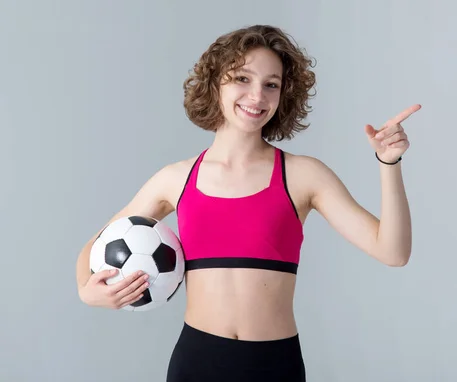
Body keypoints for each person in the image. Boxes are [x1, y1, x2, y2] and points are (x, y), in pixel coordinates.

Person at [75, 24, 419, 382]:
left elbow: (393, 252)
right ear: (215, 84)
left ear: (283, 94)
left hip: (274, 364)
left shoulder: (303, 175)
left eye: (271, 84)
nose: (257, 95)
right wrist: (89, 294)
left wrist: (388, 163)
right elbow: (94, 246)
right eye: (242, 78)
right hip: (197, 362)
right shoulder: (175, 178)